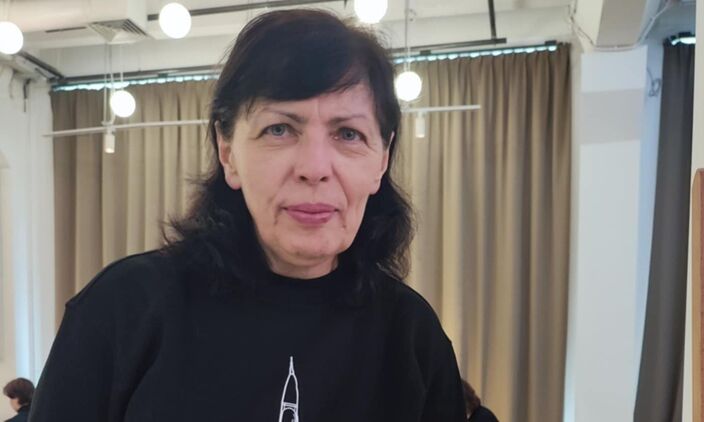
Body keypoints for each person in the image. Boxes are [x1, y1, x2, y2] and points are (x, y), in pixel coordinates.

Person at [29, 9, 465, 422]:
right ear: (228, 151)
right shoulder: (124, 310)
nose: (314, 168)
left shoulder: (412, 337)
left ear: (382, 160)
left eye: (348, 134)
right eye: (280, 129)